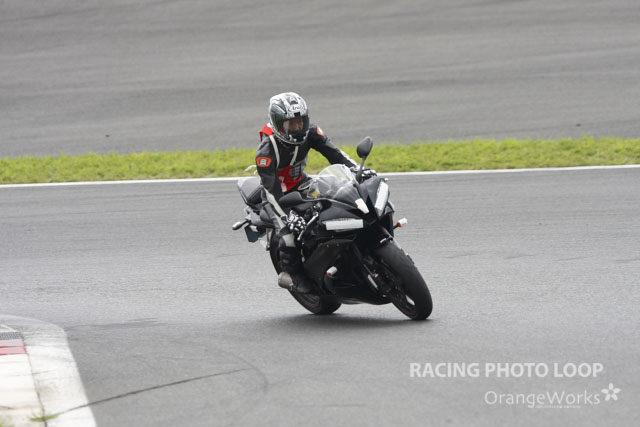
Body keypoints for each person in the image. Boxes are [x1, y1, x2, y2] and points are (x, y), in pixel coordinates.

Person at [255, 92, 374, 293]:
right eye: (291, 124)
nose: (297, 128)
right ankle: (294, 276)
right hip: (277, 196)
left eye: (300, 122)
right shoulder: (266, 151)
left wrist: (356, 169)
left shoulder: (310, 132)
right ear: (278, 124)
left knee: (337, 198)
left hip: (302, 183)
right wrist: (287, 217)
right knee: (289, 236)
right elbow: (270, 192)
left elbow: (335, 154)